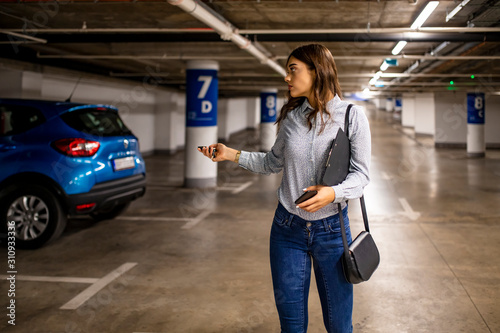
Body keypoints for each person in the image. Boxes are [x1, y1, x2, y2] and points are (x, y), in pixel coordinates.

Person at [198, 43, 371, 333]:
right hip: (287, 229)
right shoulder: (292, 118)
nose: (286, 78)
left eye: (293, 70)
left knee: (339, 326)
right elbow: (272, 162)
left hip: (331, 231)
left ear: (317, 71)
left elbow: (361, 175)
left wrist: (333, 193)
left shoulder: (352, 116)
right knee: (291, 326)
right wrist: (231, 154)